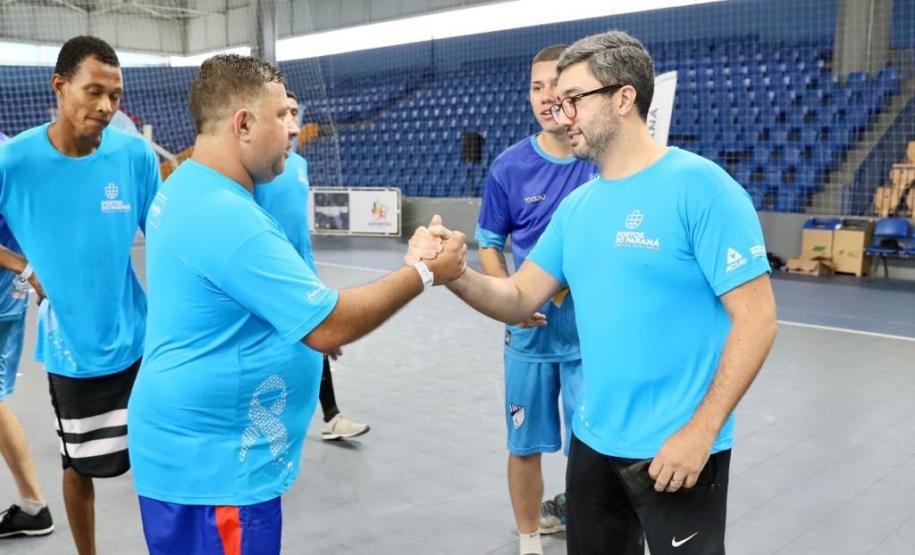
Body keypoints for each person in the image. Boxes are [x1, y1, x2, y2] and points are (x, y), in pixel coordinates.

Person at [422, 30, 777, 555]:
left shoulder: (703, 189)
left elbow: (758, 320)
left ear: (623, 98)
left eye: (573, 100)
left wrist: (700, 432)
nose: (561, 114)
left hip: (677, 451)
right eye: (555, 101)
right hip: (592, 444)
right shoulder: (579, 208)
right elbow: (519, 298)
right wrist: (455, 274)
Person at [127, 54, 465, 554]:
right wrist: (422, 272)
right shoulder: (224, 214)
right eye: (282, 115)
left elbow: (236, 303)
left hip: (196, 456)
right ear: (243, 124)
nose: (293, 128)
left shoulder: (189, 188)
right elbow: (328, 326)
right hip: (217, 470)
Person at [0, 36, 159, 555]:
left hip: (141, 338)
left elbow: (168, 238)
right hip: (71, 347)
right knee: (78, 464)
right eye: (94, 92)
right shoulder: (14, 160)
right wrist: (24, 267)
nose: (106, 107)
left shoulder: (134, 155)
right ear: (60, 87)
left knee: (160, 459)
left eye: (114, 95)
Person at [475, 44, 595, 554]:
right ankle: (528, 540)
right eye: (536, 86)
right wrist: (510, 299)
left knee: (594, 449)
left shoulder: (602, 159)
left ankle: (588, 530)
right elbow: (488, 243)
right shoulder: (509, 167)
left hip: (591, 337)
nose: (547, 97)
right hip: (529, 335)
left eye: (556, 85)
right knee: (523, 444)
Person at [255, 90, 370, 441]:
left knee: (317, 343)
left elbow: (299, 231)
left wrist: (312, 280)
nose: (291, 121)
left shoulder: (300, 165)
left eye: (294, 112)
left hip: (301, 272)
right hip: (268, 278)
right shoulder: (257, 170)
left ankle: (331, 416)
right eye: (283, 112)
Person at [0, 177, 54, 538]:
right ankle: (33, 505)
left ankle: (35, 505)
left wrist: (27, 269)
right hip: (13, 293)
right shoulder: (13, 148)